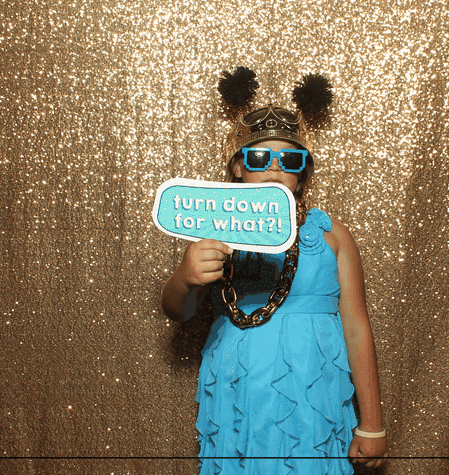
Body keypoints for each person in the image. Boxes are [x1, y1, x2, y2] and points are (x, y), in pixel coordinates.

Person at [161, 67, 387, 474]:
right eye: (259, 157)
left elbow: (356, 327)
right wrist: (183, 277)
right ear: (237, 167)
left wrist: (372, 424)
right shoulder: (213, 230)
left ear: (302, 172)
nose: (274, 167)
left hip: (312, 397)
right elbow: (180, 312)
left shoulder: (332, 235)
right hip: (238, 393)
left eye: (290, 159)